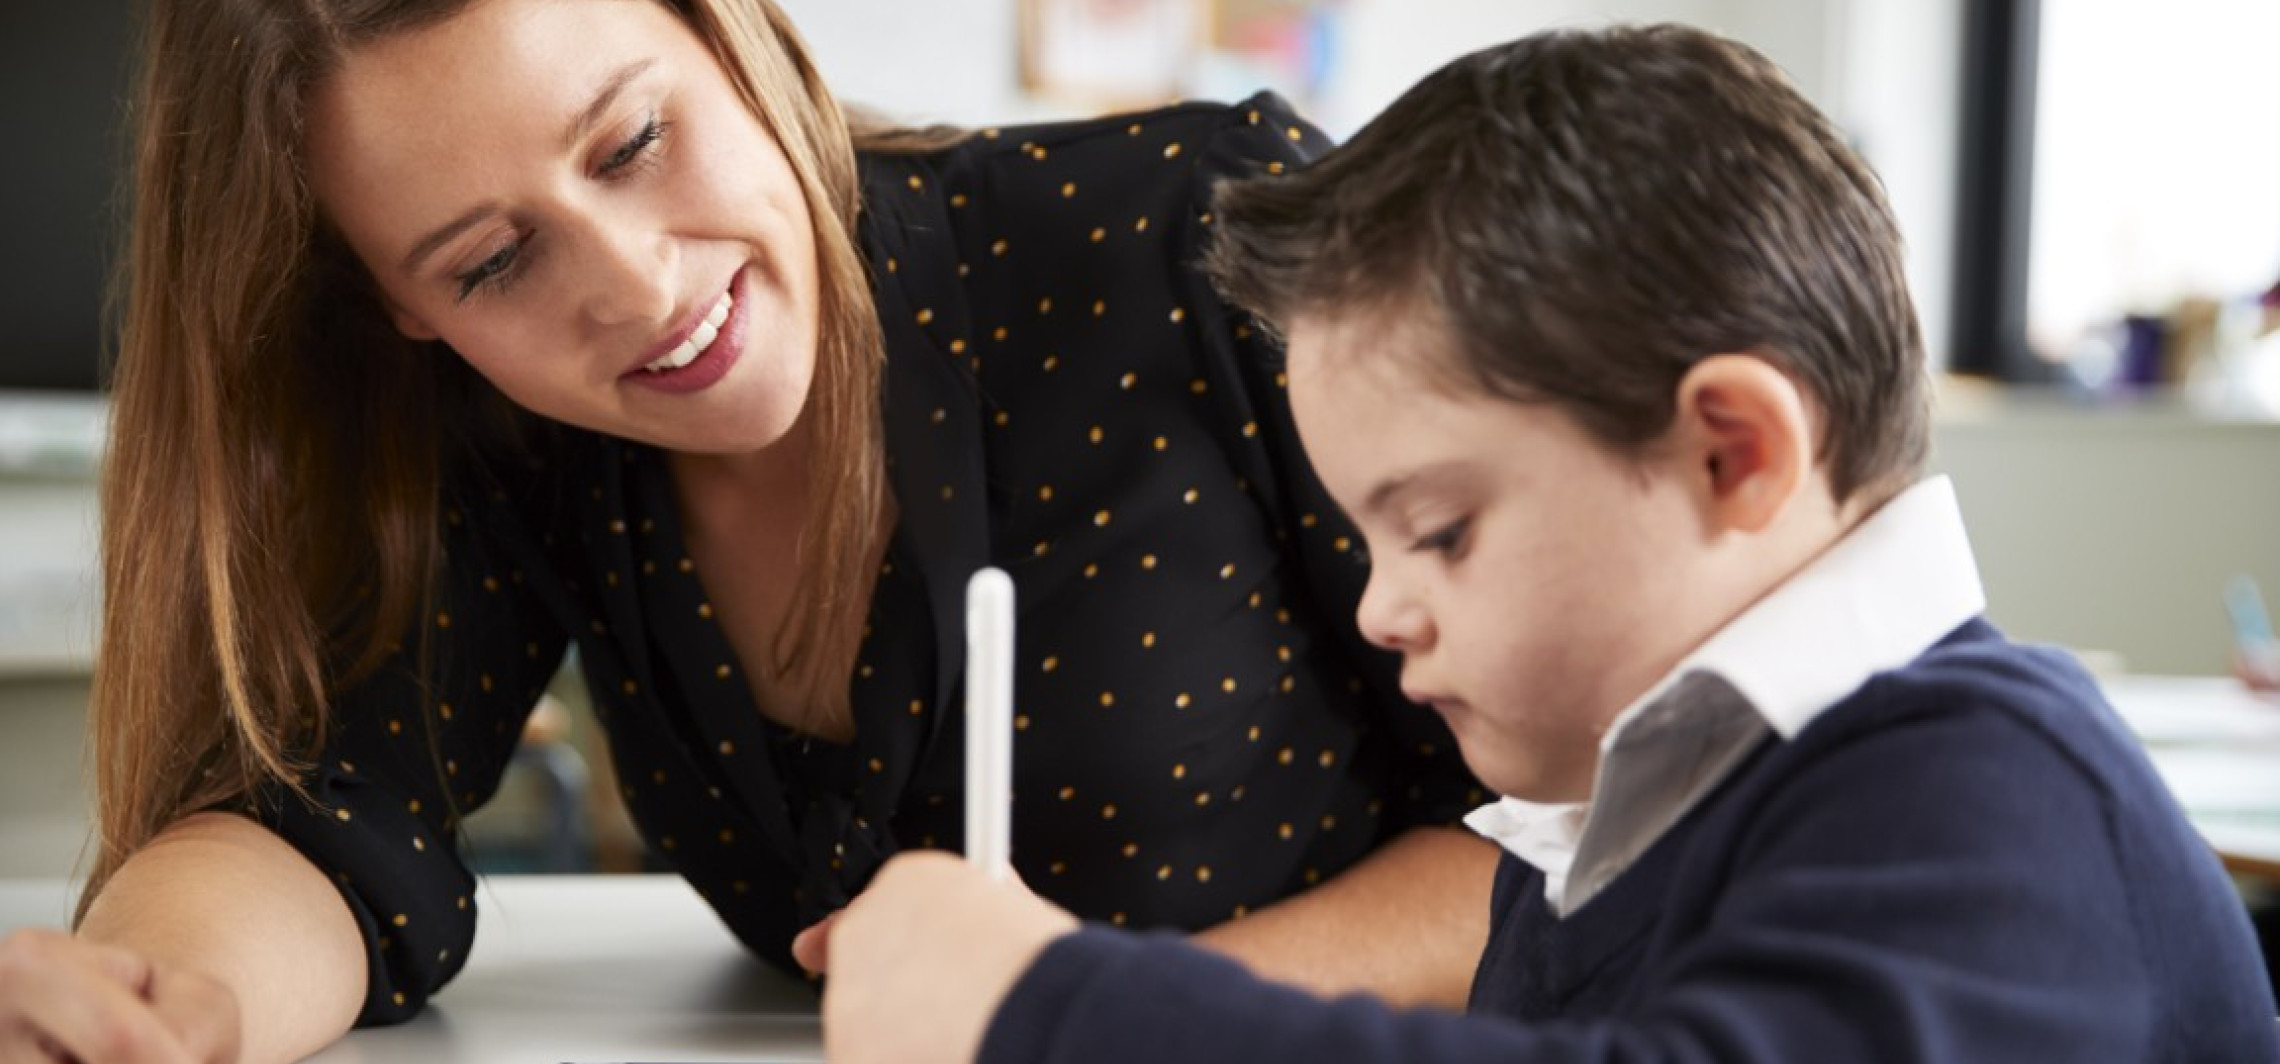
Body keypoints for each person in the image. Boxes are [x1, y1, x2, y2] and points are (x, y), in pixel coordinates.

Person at [0, 0, 1497, 1061]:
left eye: (634, 141)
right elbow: (321, 825)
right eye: (492, 261)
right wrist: (166, 1006)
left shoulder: (1205, 232)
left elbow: (1607, 834)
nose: (639, 288)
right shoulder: (514, 436)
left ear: (728, 31)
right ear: (405, 308)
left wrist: (1087, 1017)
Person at [814, 23, 2280, 1064]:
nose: (1381, 611)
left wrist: (1053, 1007)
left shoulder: (1998, 795)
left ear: (1733, 453)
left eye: (1438, 531)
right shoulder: (1592, 825)